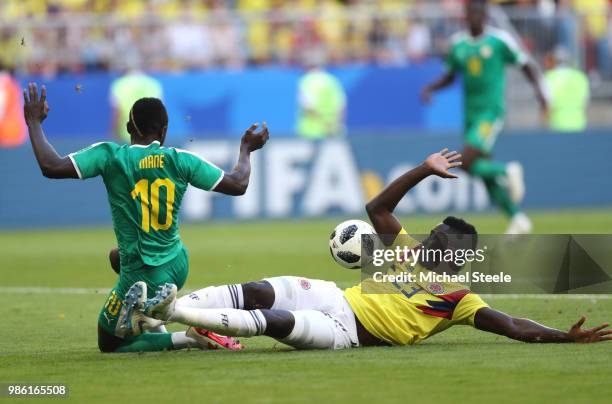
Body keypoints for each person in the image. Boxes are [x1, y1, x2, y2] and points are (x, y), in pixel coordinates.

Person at [124, 149, 611, 349]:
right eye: (433, 233)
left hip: (346, 332)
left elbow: (511, 324)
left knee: (274, 325)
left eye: (440, 239)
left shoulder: (459, 298)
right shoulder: (405, 249)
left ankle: (174, 311)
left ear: (457, 254)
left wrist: (562, 337)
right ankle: (160, 309)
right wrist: (423, 169)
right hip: (333, 297)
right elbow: (377, 206)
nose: (429, 238)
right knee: (256, 290)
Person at [22, 83, 270, 352]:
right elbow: (238, 184)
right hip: (177, 264)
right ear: (164, 131)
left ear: (129, 128)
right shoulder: (179, 159)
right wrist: (246, 149)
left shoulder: (110, 156)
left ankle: (188, 337)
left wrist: (34, 122)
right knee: (116, 256)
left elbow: (51, 165)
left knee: (109, 343)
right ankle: (151, 316)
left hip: (142, 272)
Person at [421, 0, 549, 235]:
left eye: (480, 13)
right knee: (479, 168)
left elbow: (525, 64)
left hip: (491, 112)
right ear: (466, 16)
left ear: (485, 16)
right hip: (470, 114)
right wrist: (431, 88)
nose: (475, 17)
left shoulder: (499, 41)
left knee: (466, 161)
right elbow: (450, 75)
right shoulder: (458, 44)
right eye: (472, 13)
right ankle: (517, 218)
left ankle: (507, 171)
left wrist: (540, 91)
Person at [296, 55, 347, 139]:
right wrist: (333, 125)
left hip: (311, 132)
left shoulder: (306, 81)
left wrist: (324, 124)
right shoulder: (333, 80)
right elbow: (342, 106)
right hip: (333, 130)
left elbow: (307, 107)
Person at [110, 69, 163, 142]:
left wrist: (114, 133)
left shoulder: (119, 84)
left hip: (127, 134)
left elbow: (117, 112)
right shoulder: (153, 83)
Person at [544, 48, 590, 132]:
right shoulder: (581, 77)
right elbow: (585, 105)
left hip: (556, 126)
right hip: (579, 125)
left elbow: (546, 107)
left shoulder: (548, 78)